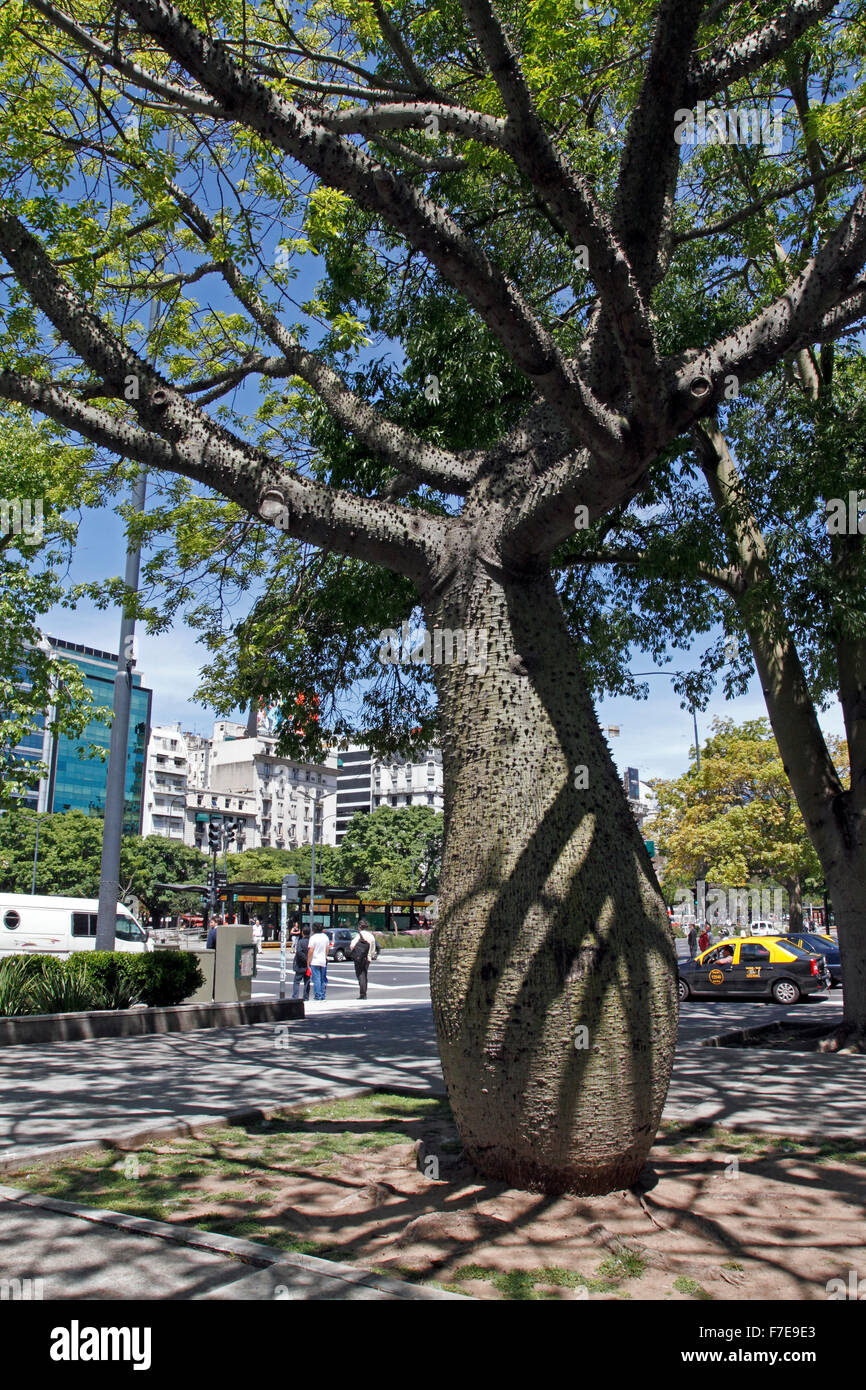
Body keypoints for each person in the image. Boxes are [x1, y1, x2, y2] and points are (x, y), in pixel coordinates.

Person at [350, 918, 377, 1000]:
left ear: (359, 927)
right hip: (367, 958)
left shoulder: (359, 935)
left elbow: (352, 945)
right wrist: (370, 956)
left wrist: (355, 952)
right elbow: (373, 949)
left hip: (359, 958)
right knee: (364, 974)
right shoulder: (371, 936)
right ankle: (364, 992)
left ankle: (363, 994)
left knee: (360, 975)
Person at [307, 922, 330, 1000]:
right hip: (323, 960)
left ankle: (318, 995)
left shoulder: (313, 938)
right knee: (323, 979)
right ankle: (323, 995)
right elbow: (327, 949)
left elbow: (311, 950)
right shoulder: (325, 937)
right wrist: (325, 957)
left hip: (315, 961)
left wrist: (308, 960)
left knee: (316, 979)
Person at [292, 924, 312, 1001]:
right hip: (308, 966)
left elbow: (299, 952)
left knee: (297, 981)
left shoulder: (300, 942)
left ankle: (295, 997)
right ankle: (306, 997)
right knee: (307, 982)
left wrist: (305, 959)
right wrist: (308, 960)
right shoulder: (310, 941)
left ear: (302, 933)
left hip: (300, 965)